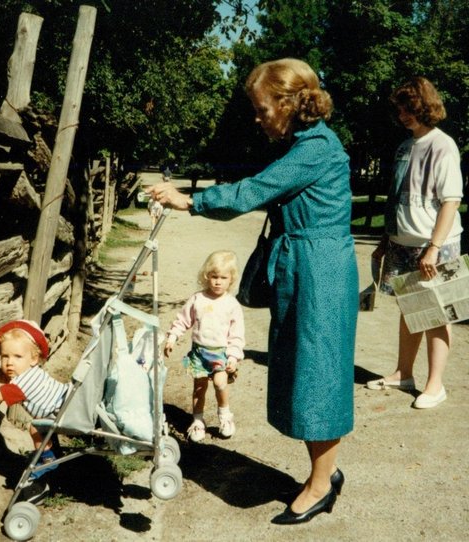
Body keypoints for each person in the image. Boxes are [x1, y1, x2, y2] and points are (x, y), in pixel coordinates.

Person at [147, 58, 357, 525]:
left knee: (317, 373)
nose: (258, 117)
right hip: (309, 267)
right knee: (306, 370)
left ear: (287, 103)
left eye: (262, 108)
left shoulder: (315, 148)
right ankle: (327, 470)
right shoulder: (305, 144)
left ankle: (322, 484)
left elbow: (254, 191)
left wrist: (190, 200)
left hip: (318, 274)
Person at [367, 76, 464, 410]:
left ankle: (435, 385)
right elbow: (396, 198)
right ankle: (402, 374)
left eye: (409, 109)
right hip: (401, 241)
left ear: (425, 106)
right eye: (400, 110)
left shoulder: (443, 145)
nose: (403, 116)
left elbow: (451, 201)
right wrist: (385, 239)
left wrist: (434, 247)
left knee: (437, 313)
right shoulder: (404, 147)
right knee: (410, 309)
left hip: (434, 244)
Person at [0, 319, 71, 503]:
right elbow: (3, 376)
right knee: (38, 427)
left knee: (34, 428)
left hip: (58, 412)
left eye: (17, 356)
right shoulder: (28, 372)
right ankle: (48, 453)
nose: (9, 363)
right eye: (5, 356)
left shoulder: (23, 383)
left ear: (34, 358)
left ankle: (47, 460)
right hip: (65, 401)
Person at [164, 250, 245, 442]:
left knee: (220, 383)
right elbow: (183, 320)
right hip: (200, 352)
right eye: (214, 276)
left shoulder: (232, 304)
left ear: (231, 279)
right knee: (199, 387)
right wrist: (173, 337)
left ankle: (225, 416)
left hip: (221, 354)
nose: (218, 281)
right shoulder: (197, 299)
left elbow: (237, 335)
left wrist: (233, 356)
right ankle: (198, 421)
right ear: (206, 276)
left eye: (223, 278)